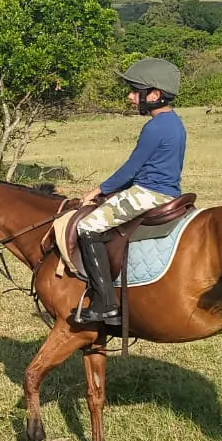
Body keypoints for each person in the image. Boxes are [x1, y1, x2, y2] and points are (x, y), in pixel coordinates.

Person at [74, 58, 186, 327]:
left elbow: (131, 170)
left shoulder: (155, 127)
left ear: (155, 95)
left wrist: (97, 190)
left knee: (87, 227)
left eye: (136, 91)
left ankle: (105, 304)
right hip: (168, 191)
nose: (131, 97)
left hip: (148, 193)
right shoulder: (175, 123)